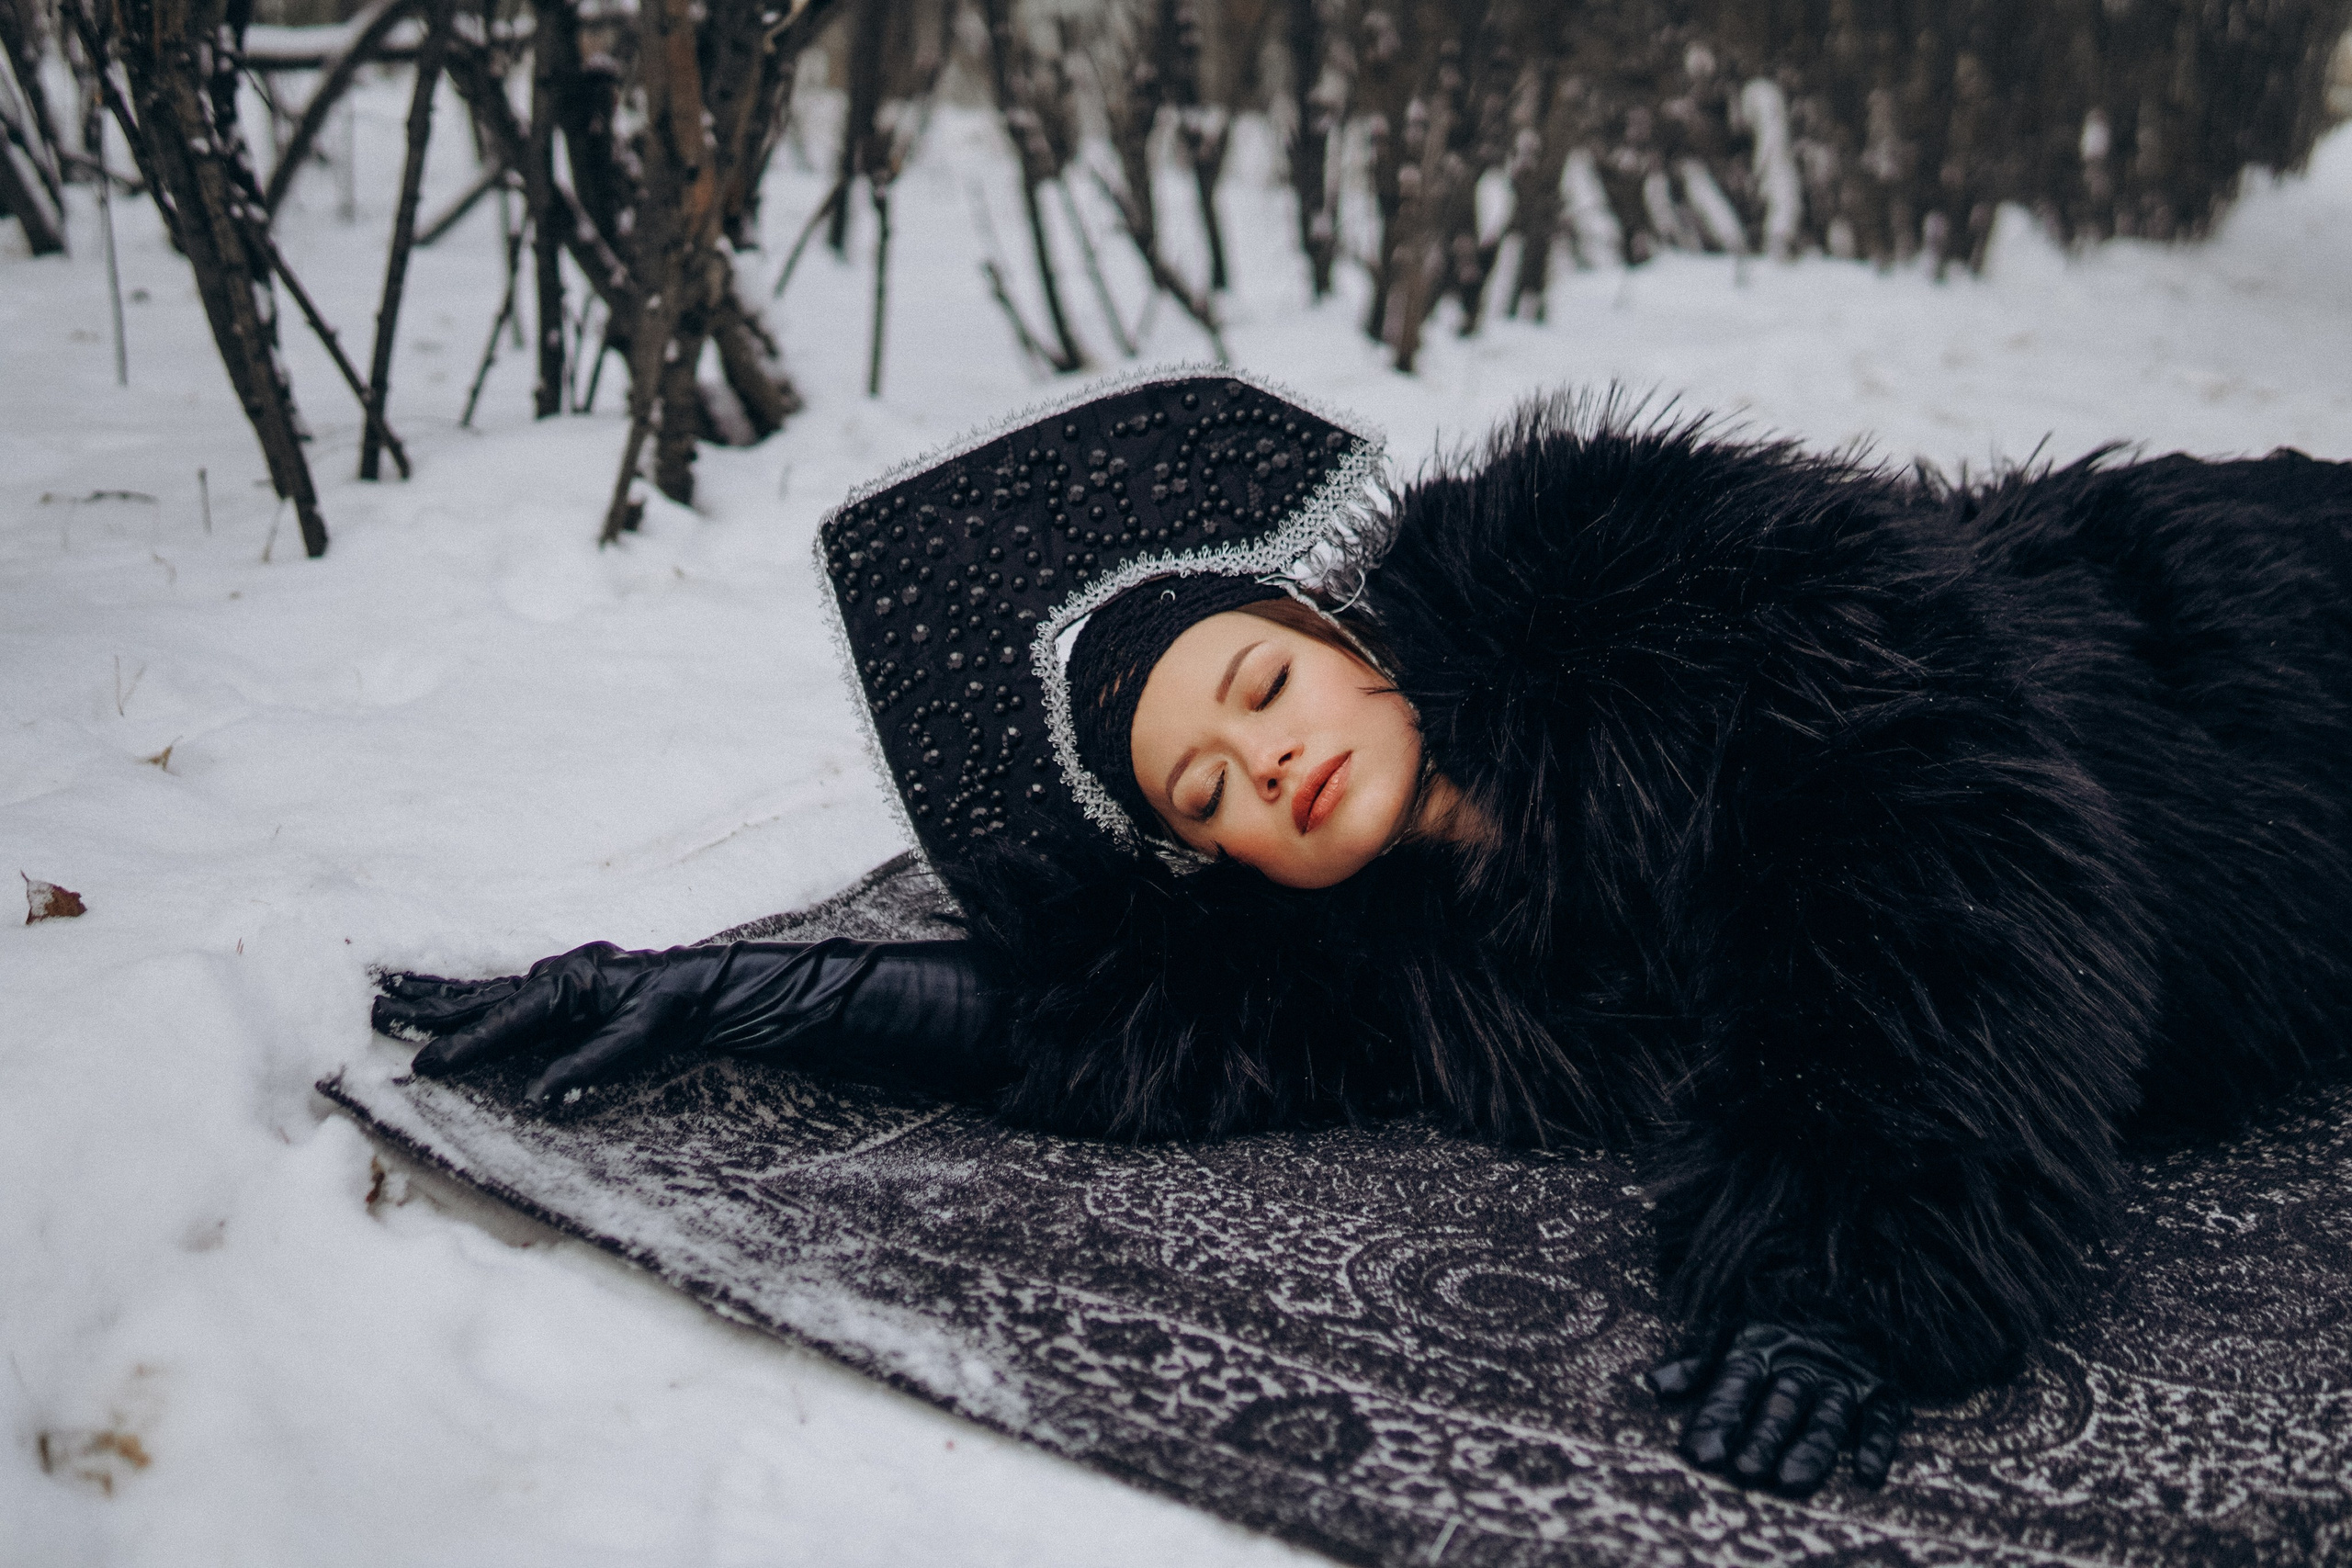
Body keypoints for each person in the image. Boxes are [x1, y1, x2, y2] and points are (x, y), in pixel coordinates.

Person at [376, 372, 2352, 1498]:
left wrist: (1838, 1282)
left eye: (1250, 690)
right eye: (1201, 797)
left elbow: (1941, 894)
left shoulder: (1644, 586)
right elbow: (1118, 1028)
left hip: (2258, 645)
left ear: (1326, 628)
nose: (1263, 770)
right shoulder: (1392, 942)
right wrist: (748, 991)